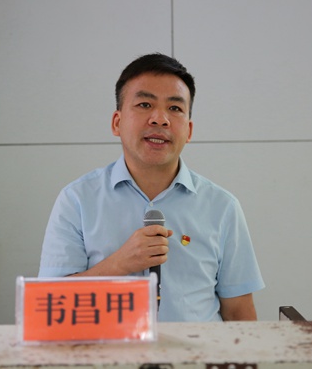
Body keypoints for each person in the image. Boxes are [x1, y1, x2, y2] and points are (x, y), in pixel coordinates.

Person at [38, 53, 264, 321]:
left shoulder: (222, 207)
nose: (160, 119)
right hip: (107, 349)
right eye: (145, 104)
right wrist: (118, 265)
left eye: (175, 108)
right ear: (117, 123)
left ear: (189, 131)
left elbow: (239, 311)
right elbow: (50, 305)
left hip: (198, 349)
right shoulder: (77, 200)